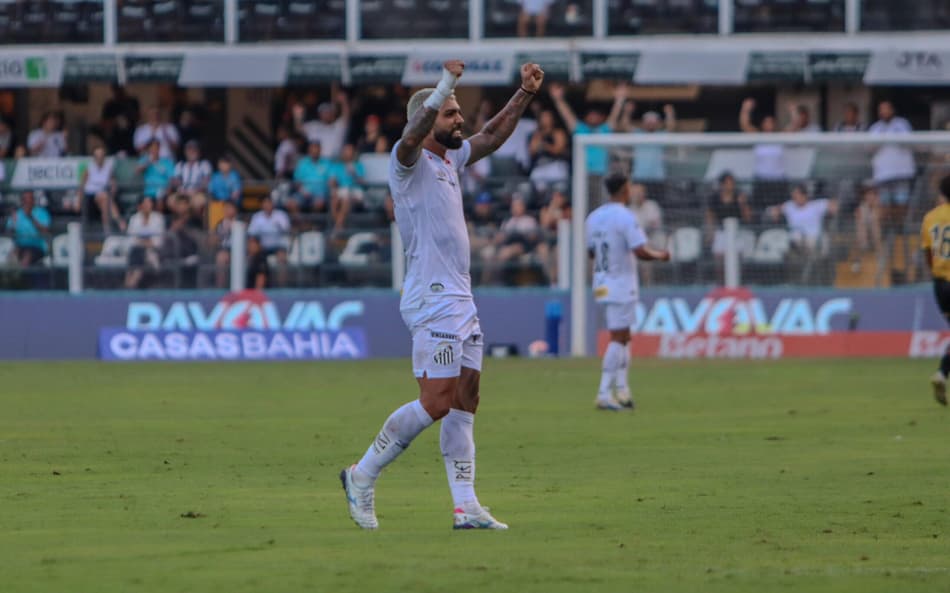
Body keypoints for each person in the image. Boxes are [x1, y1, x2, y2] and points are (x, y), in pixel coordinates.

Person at [340, 59, 545, 531]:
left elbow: (492, 135)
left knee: (465, 401)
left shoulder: (452, 158)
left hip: (461, 298)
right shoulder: (405, 161)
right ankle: (361, 474)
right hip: (431, 299)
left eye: (458, 113)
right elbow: (411, 134)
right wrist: (444, 85)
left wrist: (525, 93)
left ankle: (465, 505)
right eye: (452, 114)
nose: (461, 121)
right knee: (436, 400)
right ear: (432, 116)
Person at [586, 172, 670, 410]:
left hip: (601, 283)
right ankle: (603, 393)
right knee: (618, 337)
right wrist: (661, 255)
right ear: (624, 189)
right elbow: (641, 251)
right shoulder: (625, 216)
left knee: (624, 337)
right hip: (621, 284)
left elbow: (591, 252)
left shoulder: (593, 217)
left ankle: (623, 391)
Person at [920, 175, 950, 405]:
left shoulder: (930, 217)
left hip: (939, 285)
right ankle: (941, 373)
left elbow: (928, 255)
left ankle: (942, 373)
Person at [868, 100, 915, 228]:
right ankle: (888, 229)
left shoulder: (902, 124)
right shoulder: (875, 128)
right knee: (884, 203)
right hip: (883, 173)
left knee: (901, 201)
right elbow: (870, 148)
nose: (884, 112)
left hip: (901, 172)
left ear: (892, 110)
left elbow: (908, 142)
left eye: (886, 109)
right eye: (881, 109)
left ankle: (900, 227)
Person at [80, 146, 124, 232]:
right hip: (91, 194)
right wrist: (79, 199)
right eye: (97, 156)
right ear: (94, 157)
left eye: (101, 156)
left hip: (104, 193)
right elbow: (83, 184)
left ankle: (107, 227)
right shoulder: (89, 167)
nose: (99, 158)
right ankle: (119, 221)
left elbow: (112, 182)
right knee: (105, 198)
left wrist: (113, 188)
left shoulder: (108, 167)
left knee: (105, 199)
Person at [124, 197, 165, 289]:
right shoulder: (134, 219)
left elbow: (159, 240)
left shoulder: (158, 218)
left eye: (149, 203)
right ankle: (130, 282)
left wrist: (143, 242)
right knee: (136, 252)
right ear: (140, 206)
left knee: (142, 254)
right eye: (145, 203)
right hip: (136, 250)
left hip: (154, 251)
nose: (148, 205)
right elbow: (131, 239)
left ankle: (130, 285)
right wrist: (145, 242)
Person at [5, 190, 51, 266]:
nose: (28, 201)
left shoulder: (42, 212)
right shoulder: (16, 214)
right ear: (22, 200)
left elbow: (45, 231)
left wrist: (30, 217)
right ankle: (9, 277)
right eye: (25, 199)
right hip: (19, 247)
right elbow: (9, 234)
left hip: (36, 247)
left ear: (34, 200)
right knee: (11, 258)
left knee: (27, 255)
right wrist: (13, 224)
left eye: (30, 198)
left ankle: (23, 276)